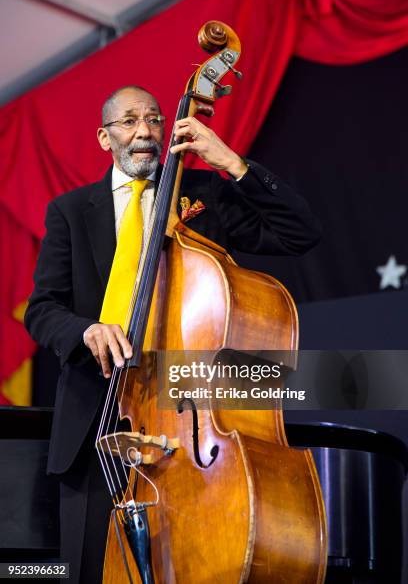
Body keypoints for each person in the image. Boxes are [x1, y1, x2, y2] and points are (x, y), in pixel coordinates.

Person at [24, 85, 321, 582]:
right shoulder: (71, 211)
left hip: (185, 420)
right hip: (96, 427)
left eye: (154, 120)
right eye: (129, 121)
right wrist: (86, 331)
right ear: (104, 137)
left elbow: (300, 232)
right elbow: (42, 309)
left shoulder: (203, 195)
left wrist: (229, 161)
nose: (144, 132)